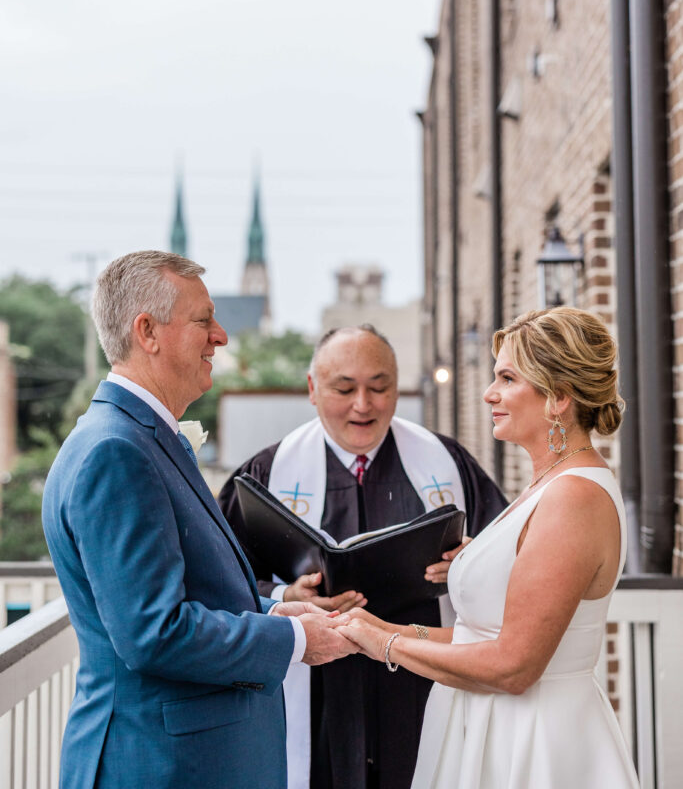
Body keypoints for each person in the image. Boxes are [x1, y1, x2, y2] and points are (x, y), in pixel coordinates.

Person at [42, 251, 355, 789]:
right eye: (203, 320)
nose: (222, 337)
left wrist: (279, 608)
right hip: (162, 764)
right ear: (148, 332)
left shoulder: (142, 437)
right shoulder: (117, 451)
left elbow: (187, 593)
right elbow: (153, 632)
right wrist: (296, 642)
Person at [339, 307, 640, 789]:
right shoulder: (546, 484)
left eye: (506, 377)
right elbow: (480, 636)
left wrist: (386, 645)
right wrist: (383, 627)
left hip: (529, 740)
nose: (489, 394)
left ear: (558, 396)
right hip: (485, 725)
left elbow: (514, 665)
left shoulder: (574, 498)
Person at [218, 324, 507, 789]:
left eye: (379, 387)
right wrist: (282, 593)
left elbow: (512, 560)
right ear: (313, 389)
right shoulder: (268, 472)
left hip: (419, 678)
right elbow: (220, 582)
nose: (363, 405)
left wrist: (469, 565)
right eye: (345, 388)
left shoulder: (447, 463)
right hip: (317, 687)